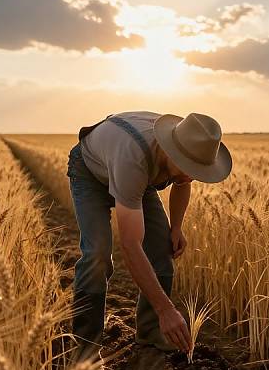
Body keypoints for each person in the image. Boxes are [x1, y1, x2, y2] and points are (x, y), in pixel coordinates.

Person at [66, 111, 233, 356]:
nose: (191, 174)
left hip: (136, 177)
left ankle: (151, 333)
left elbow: (182, 183)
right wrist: (166, 310)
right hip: (90, 172)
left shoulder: (184, 145)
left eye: (197, 170)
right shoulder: (133, 160)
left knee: (162, 247)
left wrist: (176, 227)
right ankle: (86, 348)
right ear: (170, 151)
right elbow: (131, 245)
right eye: (189, 167)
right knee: (98, 255)